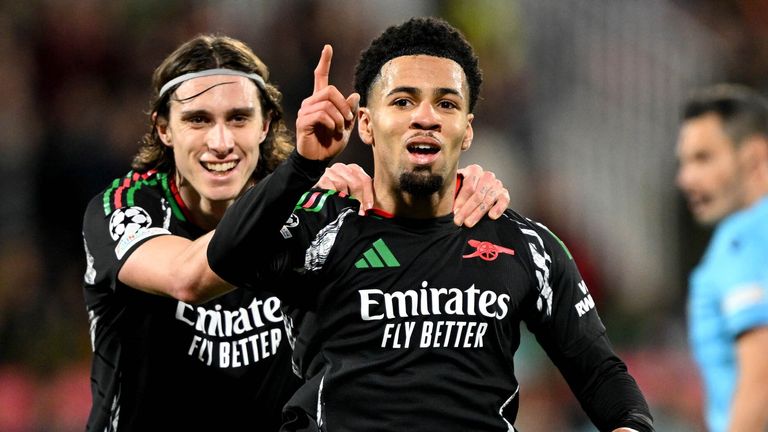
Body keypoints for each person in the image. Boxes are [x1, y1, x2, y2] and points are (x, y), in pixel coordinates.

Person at [208, 17, 654, 432]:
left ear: (468, 129)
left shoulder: (525, 244)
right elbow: (226, 256)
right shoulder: (319, 230)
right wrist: (302, 166)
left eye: (446, 103)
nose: (426, 117)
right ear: (365, 123)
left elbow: (599, 373)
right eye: (403, 101)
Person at [80, 33, 509, 431]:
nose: (221, 142)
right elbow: (187, 278)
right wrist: (299, 175)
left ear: (266, 125)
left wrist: (452, 190)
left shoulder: (312, 207)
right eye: (197, 120)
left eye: (239, 118)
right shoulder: (126, 207)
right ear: (163, 128)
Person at [676, 84, 768, 432]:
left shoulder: (742, 242)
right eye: (683, 162)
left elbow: (759, 381)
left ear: (754, 156)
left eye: (703, 158)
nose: (685, 179)